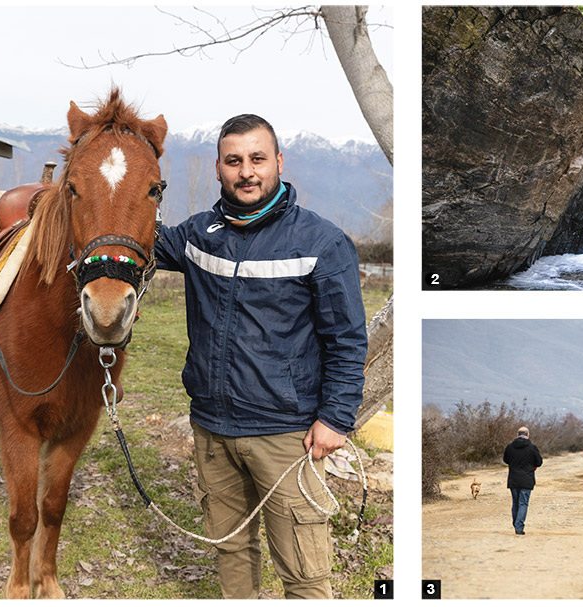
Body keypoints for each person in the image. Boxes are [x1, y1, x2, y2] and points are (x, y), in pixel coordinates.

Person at [154, 114, 367, 599]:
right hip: (212, 428)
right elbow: (136, 238)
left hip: (285, 435)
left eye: (257, 159)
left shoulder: (322, 242)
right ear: (218, 168)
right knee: (231, 550)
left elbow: (347, 339)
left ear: (278, 162)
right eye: (234, 161)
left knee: (304, 571)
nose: (246, 172)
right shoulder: (198, 234)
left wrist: (335, 418)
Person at [502, 426, 543, 535]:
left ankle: (516, 523)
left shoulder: (510, 447)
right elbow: (539, 462)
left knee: (515, 503)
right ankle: (519, 526)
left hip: (513, 479)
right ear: (528, 435)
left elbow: (505, 460)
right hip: (527, 479)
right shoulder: (532, 447)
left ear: (517, 435)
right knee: (523, 503)